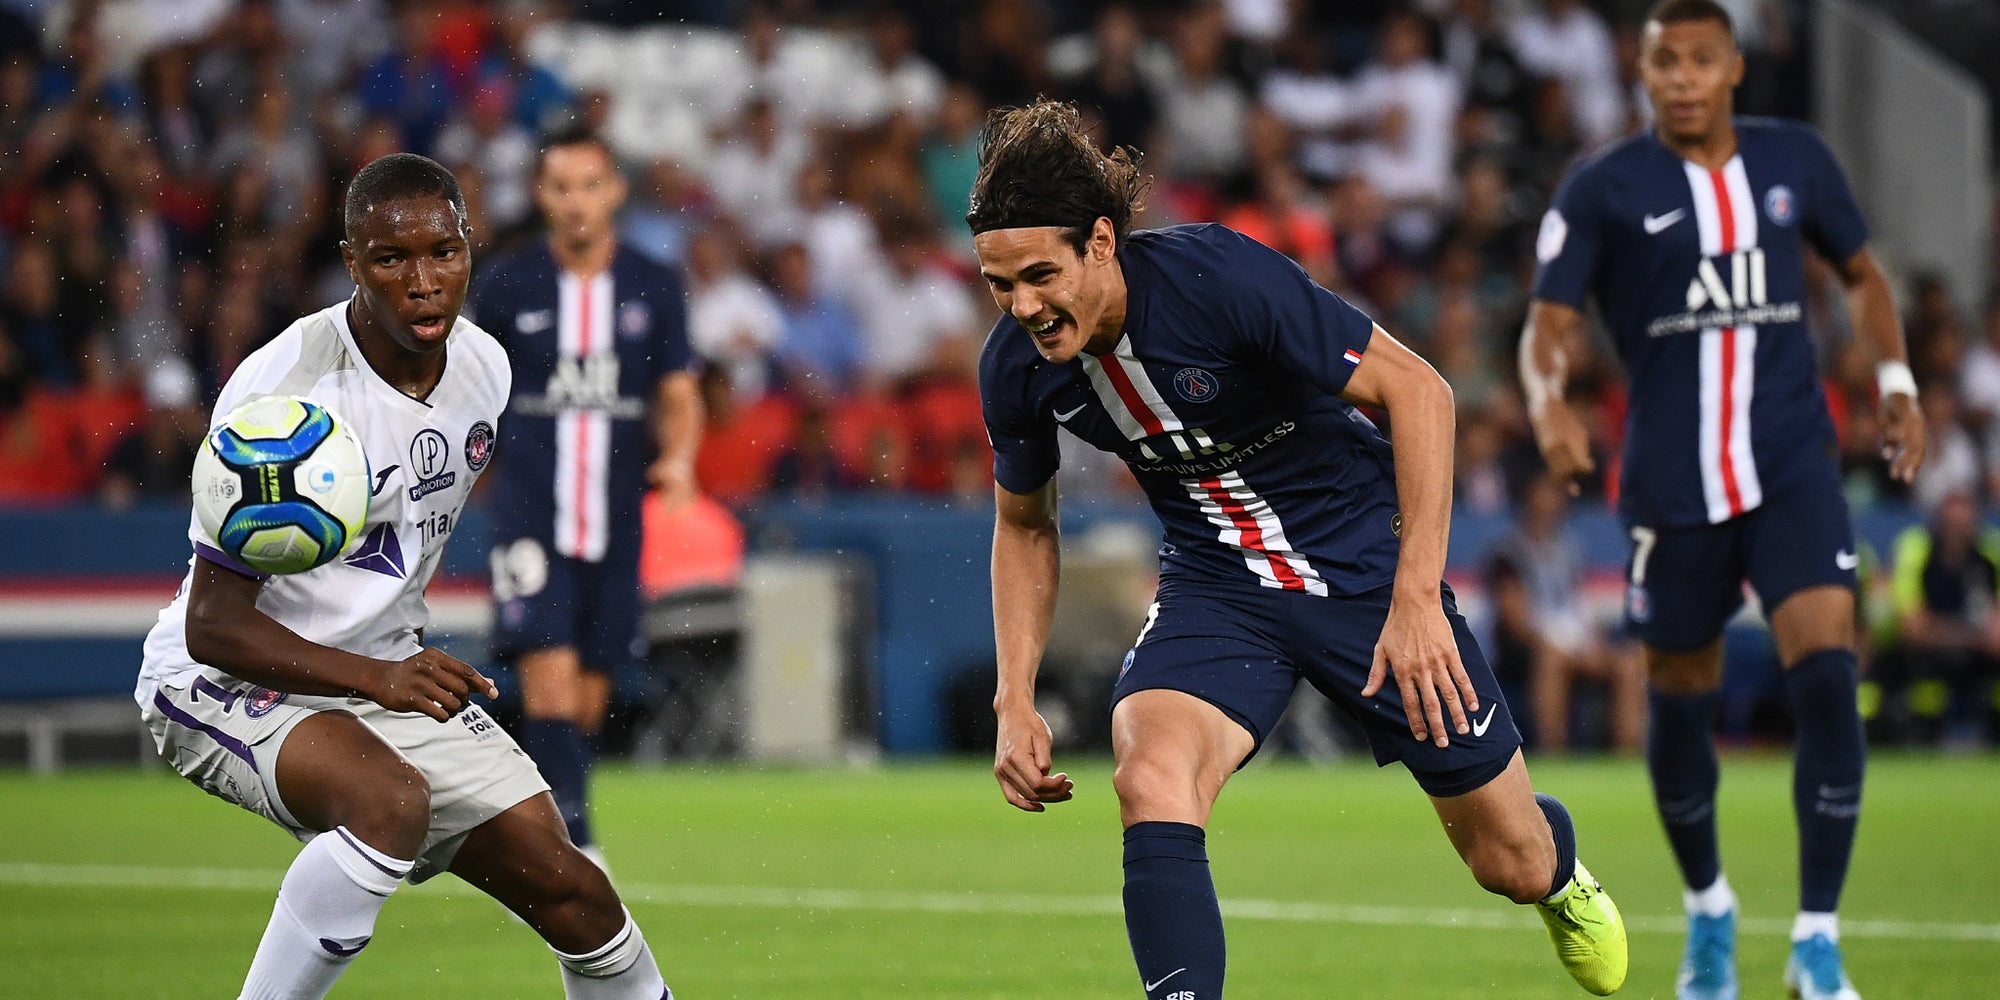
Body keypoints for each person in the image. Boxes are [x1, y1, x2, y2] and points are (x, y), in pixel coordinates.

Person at [972, 100, 1627, 1000]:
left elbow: (1422, 393)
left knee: (1507, 861)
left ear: (1100, 241)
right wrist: (1015, 697)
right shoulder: (1016, 366)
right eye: (999, 285)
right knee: (1149, 773)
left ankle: (1558, 869)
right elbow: (1024, 523)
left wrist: (1416, 602)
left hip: (1365, 564)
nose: (1023, 308)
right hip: (1218, 584)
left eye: (1039, 276)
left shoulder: (1219, 278)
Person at [134, 153, 674, 1000]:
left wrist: (385, 668)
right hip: (224, 679)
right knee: (390, 803)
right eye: (392, 260)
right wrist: (378, 676)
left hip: (381, 674)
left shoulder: (485, 371)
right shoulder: (284, 398)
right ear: (352, 263)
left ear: (470, 249)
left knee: (581, 898)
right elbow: (215, 626)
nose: (423, 282)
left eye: (443, 254)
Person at [1517, 3, 1926, 998]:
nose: (1683, 78)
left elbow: (1861, 276)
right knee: (1677, 698)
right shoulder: (1603, 187)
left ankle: (1815, 939)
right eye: (1664, 62)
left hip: (1789, 465)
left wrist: (1897, 382)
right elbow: (1546, 322)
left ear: (1734, 67)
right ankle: (1708, 909)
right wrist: (1548, 406)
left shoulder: (1795, 164)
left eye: (1701, 60)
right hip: (1671, 481)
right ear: (1642, 73)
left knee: (1827, 670)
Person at [468, 125, 703, 864]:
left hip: (615, 516)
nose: (575, 203)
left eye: (589, 186)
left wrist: (682, 458)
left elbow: (678, 391)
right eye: (560, 187)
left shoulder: (653, 284)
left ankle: (514, 816)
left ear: (614, 192)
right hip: (532, 510)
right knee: (548, 681)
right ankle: (573, 848)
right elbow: (470, 391)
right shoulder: (507, 285)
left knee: (587, 700)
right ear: (541, 195)